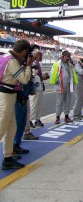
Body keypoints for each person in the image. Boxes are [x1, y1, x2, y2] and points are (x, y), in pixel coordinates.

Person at [0, 39, 33, 170]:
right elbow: (24, 79)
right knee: (2, 127)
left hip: (8, 95)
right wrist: (29, 66)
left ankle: (7, 158)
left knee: (10, 128)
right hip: (6, 96)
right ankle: (7, 158)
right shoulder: (12, 61)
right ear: (24, 51)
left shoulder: (5, 57)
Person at [50, 50, 78, 124]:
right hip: (60, 85)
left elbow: (73, 73)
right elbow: (52, 74)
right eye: (67, 57)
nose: (68, 58)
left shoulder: (70, 65)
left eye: (69, 57)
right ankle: (57, 117)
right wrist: (56, 82)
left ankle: (66, 116)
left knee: (67, 101)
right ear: (62, 56)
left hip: (68, 85)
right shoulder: (56, 64)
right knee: (59, 102)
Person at [29, 51, 49, 127]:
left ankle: (37, 119)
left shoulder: (38, 64)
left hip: (39, 86)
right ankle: (30, 120)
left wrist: (43, 76)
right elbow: (32, 76)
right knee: (33, 103)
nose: (42, 58)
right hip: (35, 87)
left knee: (39, 104)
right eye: (41, 56)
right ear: (37, 56)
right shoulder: (33, 64)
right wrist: (41, 77)